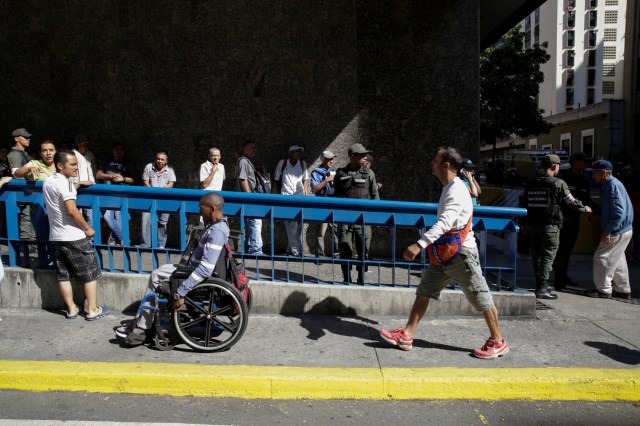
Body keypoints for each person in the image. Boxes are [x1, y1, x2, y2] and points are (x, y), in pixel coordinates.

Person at [379, 146, 508, 359]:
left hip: (462, 254)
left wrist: (419, 244)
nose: (432, 163)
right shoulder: (449, 187)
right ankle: (407, 335)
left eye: (435, 160)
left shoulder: (456, 190)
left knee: (481, 296)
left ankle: (499, 341)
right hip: (446, 253)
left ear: (445, 165)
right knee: (425, 290)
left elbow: (445, 223)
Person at [116, 192, 228, 344]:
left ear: (212, 208)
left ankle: (142, 328)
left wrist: (181, 293)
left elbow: (205, 270)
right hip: (190, 268)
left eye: (201, 208)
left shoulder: (217, 232)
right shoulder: (218, 226)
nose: (199, 212)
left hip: (193, 273)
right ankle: (144, 319)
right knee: (158, 271)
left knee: (155, 277)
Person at [42, 150, 110, 321]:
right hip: (73, 235)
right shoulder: (66, 184)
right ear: (60, 165)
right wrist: (87, 228)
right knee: (90, 273)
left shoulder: (48, 181)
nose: (76, 168)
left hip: (56, 236)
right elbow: (72, 210)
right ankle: (92, 310)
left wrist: (77, 184)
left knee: (63, 274)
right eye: (72, 164)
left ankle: (71, 309)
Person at [521, 154, 591, 300]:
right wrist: (585, 209)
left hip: (532, 224)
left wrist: (522, 223)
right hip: (549, 226)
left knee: (536, 256)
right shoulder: (558, 183)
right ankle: (541, 288)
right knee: (547, 256)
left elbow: (523, 203)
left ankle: (541, 284)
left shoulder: (531, 182)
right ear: (554, 166)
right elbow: (571, 202)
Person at [585, 160, 634, 299]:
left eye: (595, 172)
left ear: (603, 173)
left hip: (617, 229)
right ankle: (624, 290)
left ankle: (603, 290)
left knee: (602, 257)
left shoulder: (612, 185)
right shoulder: (610, 184)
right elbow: (609, 206)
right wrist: (595, 211)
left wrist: (608, 231)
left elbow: (619, 213)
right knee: (617, 259)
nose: (593, 175)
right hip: (624, 229)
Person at [334, 143, 379, 283]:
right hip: (346, 219)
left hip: (363, 220)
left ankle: (361, 279)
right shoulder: (340, 174)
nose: (365, 158)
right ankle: (346, 278)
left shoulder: (369, 174)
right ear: (352, 157)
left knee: (363, 251)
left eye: (365, 155)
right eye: (361, 155)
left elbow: (375, 197)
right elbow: (336, 197)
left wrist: (376, 218)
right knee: (344, 249)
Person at [552, 152, 593, 290]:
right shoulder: (563, 178)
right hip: (562, 219)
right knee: (561, 251)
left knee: (568, 251)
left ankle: (563, 275)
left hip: (575, 220)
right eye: (584, 161)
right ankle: (559, 281)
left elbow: (587, 200)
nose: (587, 165)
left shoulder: (584, 179)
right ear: (576, 162)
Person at [96, 143, 137, 245]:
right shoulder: (106, 161)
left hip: (121, 194)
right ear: (112, 150)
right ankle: (123, 238)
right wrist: (111, 176)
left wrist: (123, 178)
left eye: (121, 149)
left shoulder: (127, 162)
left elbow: (133, 180)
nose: (118, 151)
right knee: (107, 216)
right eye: (116, 149)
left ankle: (115, 238)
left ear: (124, 151)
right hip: (108, 194)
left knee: (120, 217)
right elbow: (98, 175)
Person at [273, 145, 309, 256]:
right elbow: (276, 180)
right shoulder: (282, 163)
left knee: (294, 224)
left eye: (299, 152)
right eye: (296, 152)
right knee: (290, 222)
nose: (298, 154)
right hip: (286, 197)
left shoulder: (302, 164)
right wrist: (274, 196)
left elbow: (305, 179)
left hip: (299, 197)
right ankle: (297, 250)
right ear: (290, 153)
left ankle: (290, 249)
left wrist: (306, 193)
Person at [141, 150, 176, 248]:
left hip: (164, 199)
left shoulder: (170, 169)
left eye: (162, 159)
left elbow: (171, 183)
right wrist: (151, 190)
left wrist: (164, 190)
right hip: (149, 198)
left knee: (163, 222)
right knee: (145, 220)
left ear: (166, 161)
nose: (159, 161)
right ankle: (145, 244)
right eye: (158, 159)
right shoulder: (149, 166)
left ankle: (161, 245)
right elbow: (145, 181)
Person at [7, 128, 35, 240]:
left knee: (29, 215)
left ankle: (28, 239)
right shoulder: (15, 154)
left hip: (27, 190)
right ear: (17, 139)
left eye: (28, 137)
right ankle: (25, 241)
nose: (28, 139)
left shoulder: (22, 153)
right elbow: (16, 173)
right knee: (26, 216)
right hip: (23, 190)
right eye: (25, 137)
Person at [237, 139, 264, 255]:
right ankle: (256, 249)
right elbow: (243, 180)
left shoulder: (250, 161)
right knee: (255, 222)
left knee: (250, 223)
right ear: (244, 149)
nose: (254, 150)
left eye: (255, 148)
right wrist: (249, 197)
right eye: (251, 147)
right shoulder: (243, 161)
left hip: (251, 196)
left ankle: (249, 248)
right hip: (250, 197)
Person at [310, 150, 338, 257]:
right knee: (321, 231)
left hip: (333, 203)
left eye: (332, 158)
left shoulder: (333, 171)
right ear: (323, 159)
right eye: (329, 159)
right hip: (322, 204)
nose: (331, 161)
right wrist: (326, 181)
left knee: (336, 230)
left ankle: (337, 253)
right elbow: (314, 189)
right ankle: (320, 254)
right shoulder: (316, 172)